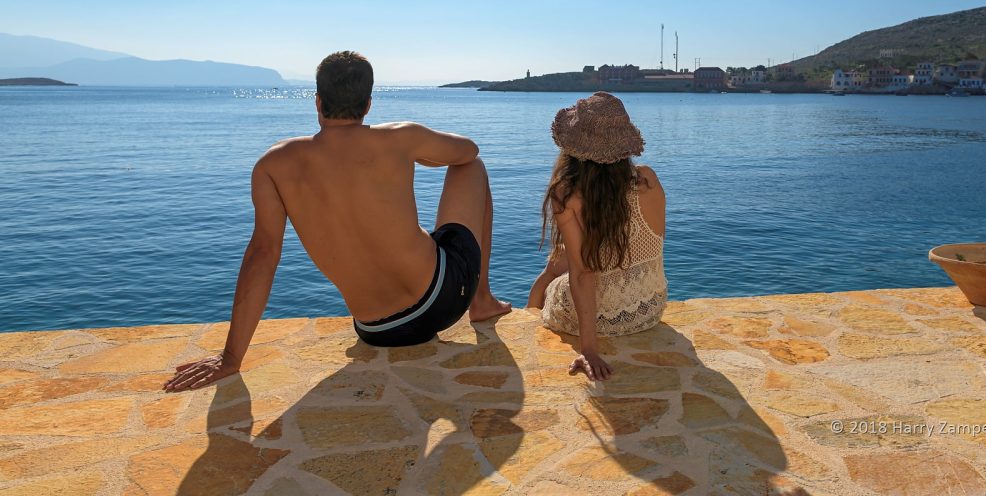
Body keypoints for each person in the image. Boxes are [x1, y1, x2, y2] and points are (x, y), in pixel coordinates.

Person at [164, 51, 511, 391]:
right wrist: (417, 153)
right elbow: (468, 151)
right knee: (472, 169)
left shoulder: (273, 166)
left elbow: (263, 256)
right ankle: (481, 301)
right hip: (444, 300)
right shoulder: (401, 137)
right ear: (368, 104)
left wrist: (230, 358)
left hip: (378, 330)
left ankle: (475, 298)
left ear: (317, 102)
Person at [527, 92, 667, 382]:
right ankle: (552, 271)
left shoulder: (566, 193)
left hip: (603, 318)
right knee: (570, 257)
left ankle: (530, 310)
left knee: (556, 269)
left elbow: (583, 274)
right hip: (649, 309)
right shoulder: (648, 179)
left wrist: (589, 350)